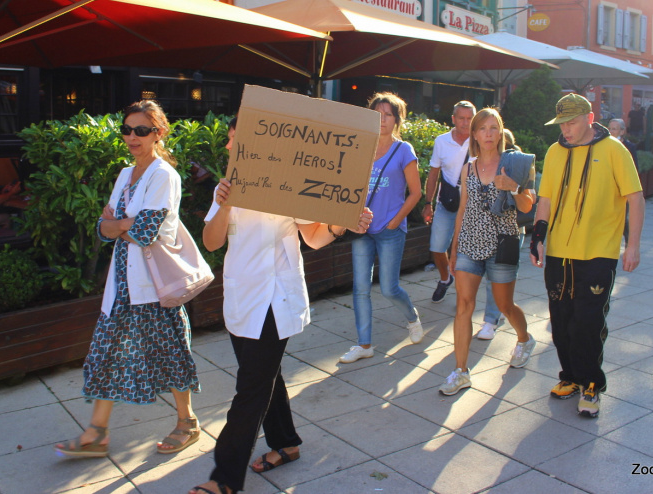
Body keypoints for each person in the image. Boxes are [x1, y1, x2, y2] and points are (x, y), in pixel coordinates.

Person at [191, 126, 373, 494]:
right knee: (262, 376)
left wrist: (340, 225)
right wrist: (224, 203)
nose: (227, 145)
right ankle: (286, 441)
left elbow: (315, 236)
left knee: (250, 389)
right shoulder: (226, 186)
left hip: (276, 300)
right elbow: (211, 242)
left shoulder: (290, 184)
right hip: (241, 297)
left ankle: (224, 479)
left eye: (235, 138)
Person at [55, 100, 201, 458]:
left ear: (158, 133)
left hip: (152, 286)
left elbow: (147, 231)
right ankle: (97, 432)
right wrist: (122, 225)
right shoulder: (124, 175)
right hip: (120, 286)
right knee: (105, 353)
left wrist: (117, 223)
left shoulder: (164, 175)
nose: (132, 137)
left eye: (141, 130)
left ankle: (188, 422)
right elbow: (102, 230)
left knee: (170, 353)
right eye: (127, 129)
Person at [531, 94, 644, 419]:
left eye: (572, 122)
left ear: (590, 118)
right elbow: (546, 200)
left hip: (598, 254)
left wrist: (632, 245)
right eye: (562, 123)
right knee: (561, 322)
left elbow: (635, 199)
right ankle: (570, 377)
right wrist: (538, 239)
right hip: (559, 255)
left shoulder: (614, 151)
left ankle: (592, 383)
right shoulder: (554, 152)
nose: (566, 129)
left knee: (588, 323)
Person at [438, 109, 536, 396]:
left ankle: (524, 338)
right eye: (483, 129)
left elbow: (528, 206)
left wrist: (514, 188)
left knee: (505, 305)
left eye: (494, 128)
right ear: (475, 134)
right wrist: (453, 250)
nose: (489, 134)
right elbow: (463, 210)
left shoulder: (514, 163)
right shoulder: (468, 167)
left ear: (500, 132)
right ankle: (460, 372)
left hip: (503, 242)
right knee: (463, 307)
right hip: (470, 242)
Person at [338, 92, 424, 365]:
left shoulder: (403, 150)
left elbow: (416, 192)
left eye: (388, 114)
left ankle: (411, 317)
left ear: (397, 119)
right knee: (360, 288)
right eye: (378, 114)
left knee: (389, 288)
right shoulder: (361, 147)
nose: (382, 119)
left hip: (390, 229)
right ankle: (364, 344)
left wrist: (396, 220)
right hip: (362, 228)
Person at [422, 101, 502, 339]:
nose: (466, 123)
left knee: (488, 267)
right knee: (437, 247)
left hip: (478, 209)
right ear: (453, 119)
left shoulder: (479, 141)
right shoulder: (442, 141)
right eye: (462, 118)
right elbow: (434, 172)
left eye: (470, 119)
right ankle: (446, 278)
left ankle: (489, 318)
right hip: (448, 203)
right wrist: (428, 203)